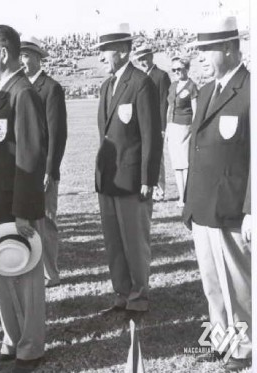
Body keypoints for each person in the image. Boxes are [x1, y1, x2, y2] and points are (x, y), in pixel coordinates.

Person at [0, 25, 48, 373]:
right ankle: (13, 338)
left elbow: (30, 158)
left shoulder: (23, 94)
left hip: (12, 207)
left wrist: (24, 212)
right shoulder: (2, 91)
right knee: (4, 275)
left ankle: (31, 347)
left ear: (3, 53)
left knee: (26, 276)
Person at [182, 16, 251, 371]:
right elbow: (198, 150)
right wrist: (189, 201)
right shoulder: (207, 91)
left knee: (237, 281)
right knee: (212, 282)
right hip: (203, 206)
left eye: (207, 49)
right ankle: (223, 338)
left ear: (228, 47)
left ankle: (244, 348)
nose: (201, 57)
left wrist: (252, 208)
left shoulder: (250, 89)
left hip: (232, 206)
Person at [94, 24, 162, 318]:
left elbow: (150, 136)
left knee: (134, 241)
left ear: (122, 51)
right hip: (108, 179)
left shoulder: (141, 83)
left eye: (105, 52)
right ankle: (122, 293)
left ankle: (139, 295)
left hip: (132, 179)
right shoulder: (106, 86)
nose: (102, 58)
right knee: (114, 241)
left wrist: (148, 179)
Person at [20, 35, 68, 287]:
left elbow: (57, 133)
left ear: (39, 58)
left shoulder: (50, 88)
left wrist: (50, 169)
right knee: (25, 219)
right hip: (22, 168)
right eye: (19, 55)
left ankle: (52, 273)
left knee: (46, 220)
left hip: (43, 169)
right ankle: (30, 267)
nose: (22, 61)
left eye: (27, 55)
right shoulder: (17, 87)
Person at [135, 44, 170, 202]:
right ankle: (145, 185)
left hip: (156, 125)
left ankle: (159, 190)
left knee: (157, 157)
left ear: (151, 56)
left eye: (144, 58)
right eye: (139, 59)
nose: (142, 62)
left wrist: (163, 127)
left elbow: (164, 103)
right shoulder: (139, 77)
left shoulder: (161, 76)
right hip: (141, 124)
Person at [166, 56, 198, 207]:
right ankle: (181, 197)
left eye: (179, 69)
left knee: (185, 164)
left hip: (186, 127)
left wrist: (194, 128)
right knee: (176, 165)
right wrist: (167, 128)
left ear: (186, 69)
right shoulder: (172, 86)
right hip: (172, 127)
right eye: (174, 69)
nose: (176, 72)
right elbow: (169, 108)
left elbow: (195, 111)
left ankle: (187, 196)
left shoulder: (192, 86)